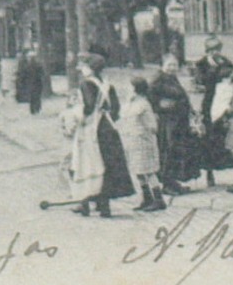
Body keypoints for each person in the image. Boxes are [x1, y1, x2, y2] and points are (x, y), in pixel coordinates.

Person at [66, 49, 135, 218]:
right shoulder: (106, 84)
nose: (82, 69)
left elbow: (88, 107)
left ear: (90, 68)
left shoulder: (86, 84)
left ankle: (85, 203)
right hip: (108, 128)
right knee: (107, 164)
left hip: (91, 129)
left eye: (84, 66)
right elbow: (116, 109)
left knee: (85, 163)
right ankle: (104, 206)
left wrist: (75, 113)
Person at [149, 55, 200, 195]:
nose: (172, 68)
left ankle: (174, 182)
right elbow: (151, 99)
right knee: (168, 150)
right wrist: (160, 108)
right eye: (169, 65)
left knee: (177, 150)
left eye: (175, 65)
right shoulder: (158, 79)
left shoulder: (172, 78)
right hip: (168, 122)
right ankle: (166, 183)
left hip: (178, 121)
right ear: (162, 65)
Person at [193, 36, 233, 187]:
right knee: (207, 137)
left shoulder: (225, 62)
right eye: (212, 50)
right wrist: (213, 69)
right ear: (207, 51)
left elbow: (231, 74)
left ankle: (232, 168)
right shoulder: (201, 64)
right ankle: (209, 172)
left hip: (222, 100)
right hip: (209, 102)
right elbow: (200, 81)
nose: (215, 53)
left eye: (217, 49)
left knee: (224, 135)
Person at [119, 77, 165, 211]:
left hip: (143, 142)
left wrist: (143, 133)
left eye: (129, 87)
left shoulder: (143, 104)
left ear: (135, 89)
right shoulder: (129, 104)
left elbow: (152, 126)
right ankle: (147, 198)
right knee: (138, 171)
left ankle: (158, 199)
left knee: (148, 171)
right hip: (131, 141)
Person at [23, 47, 45, 115]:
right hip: (37, 83)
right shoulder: (38, 65)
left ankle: (33, 109)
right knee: (37, 96)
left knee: (32, 97)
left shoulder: (27, 65)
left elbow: (24, 75)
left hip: (31, 83)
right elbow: (42, 73)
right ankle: (37, 108)